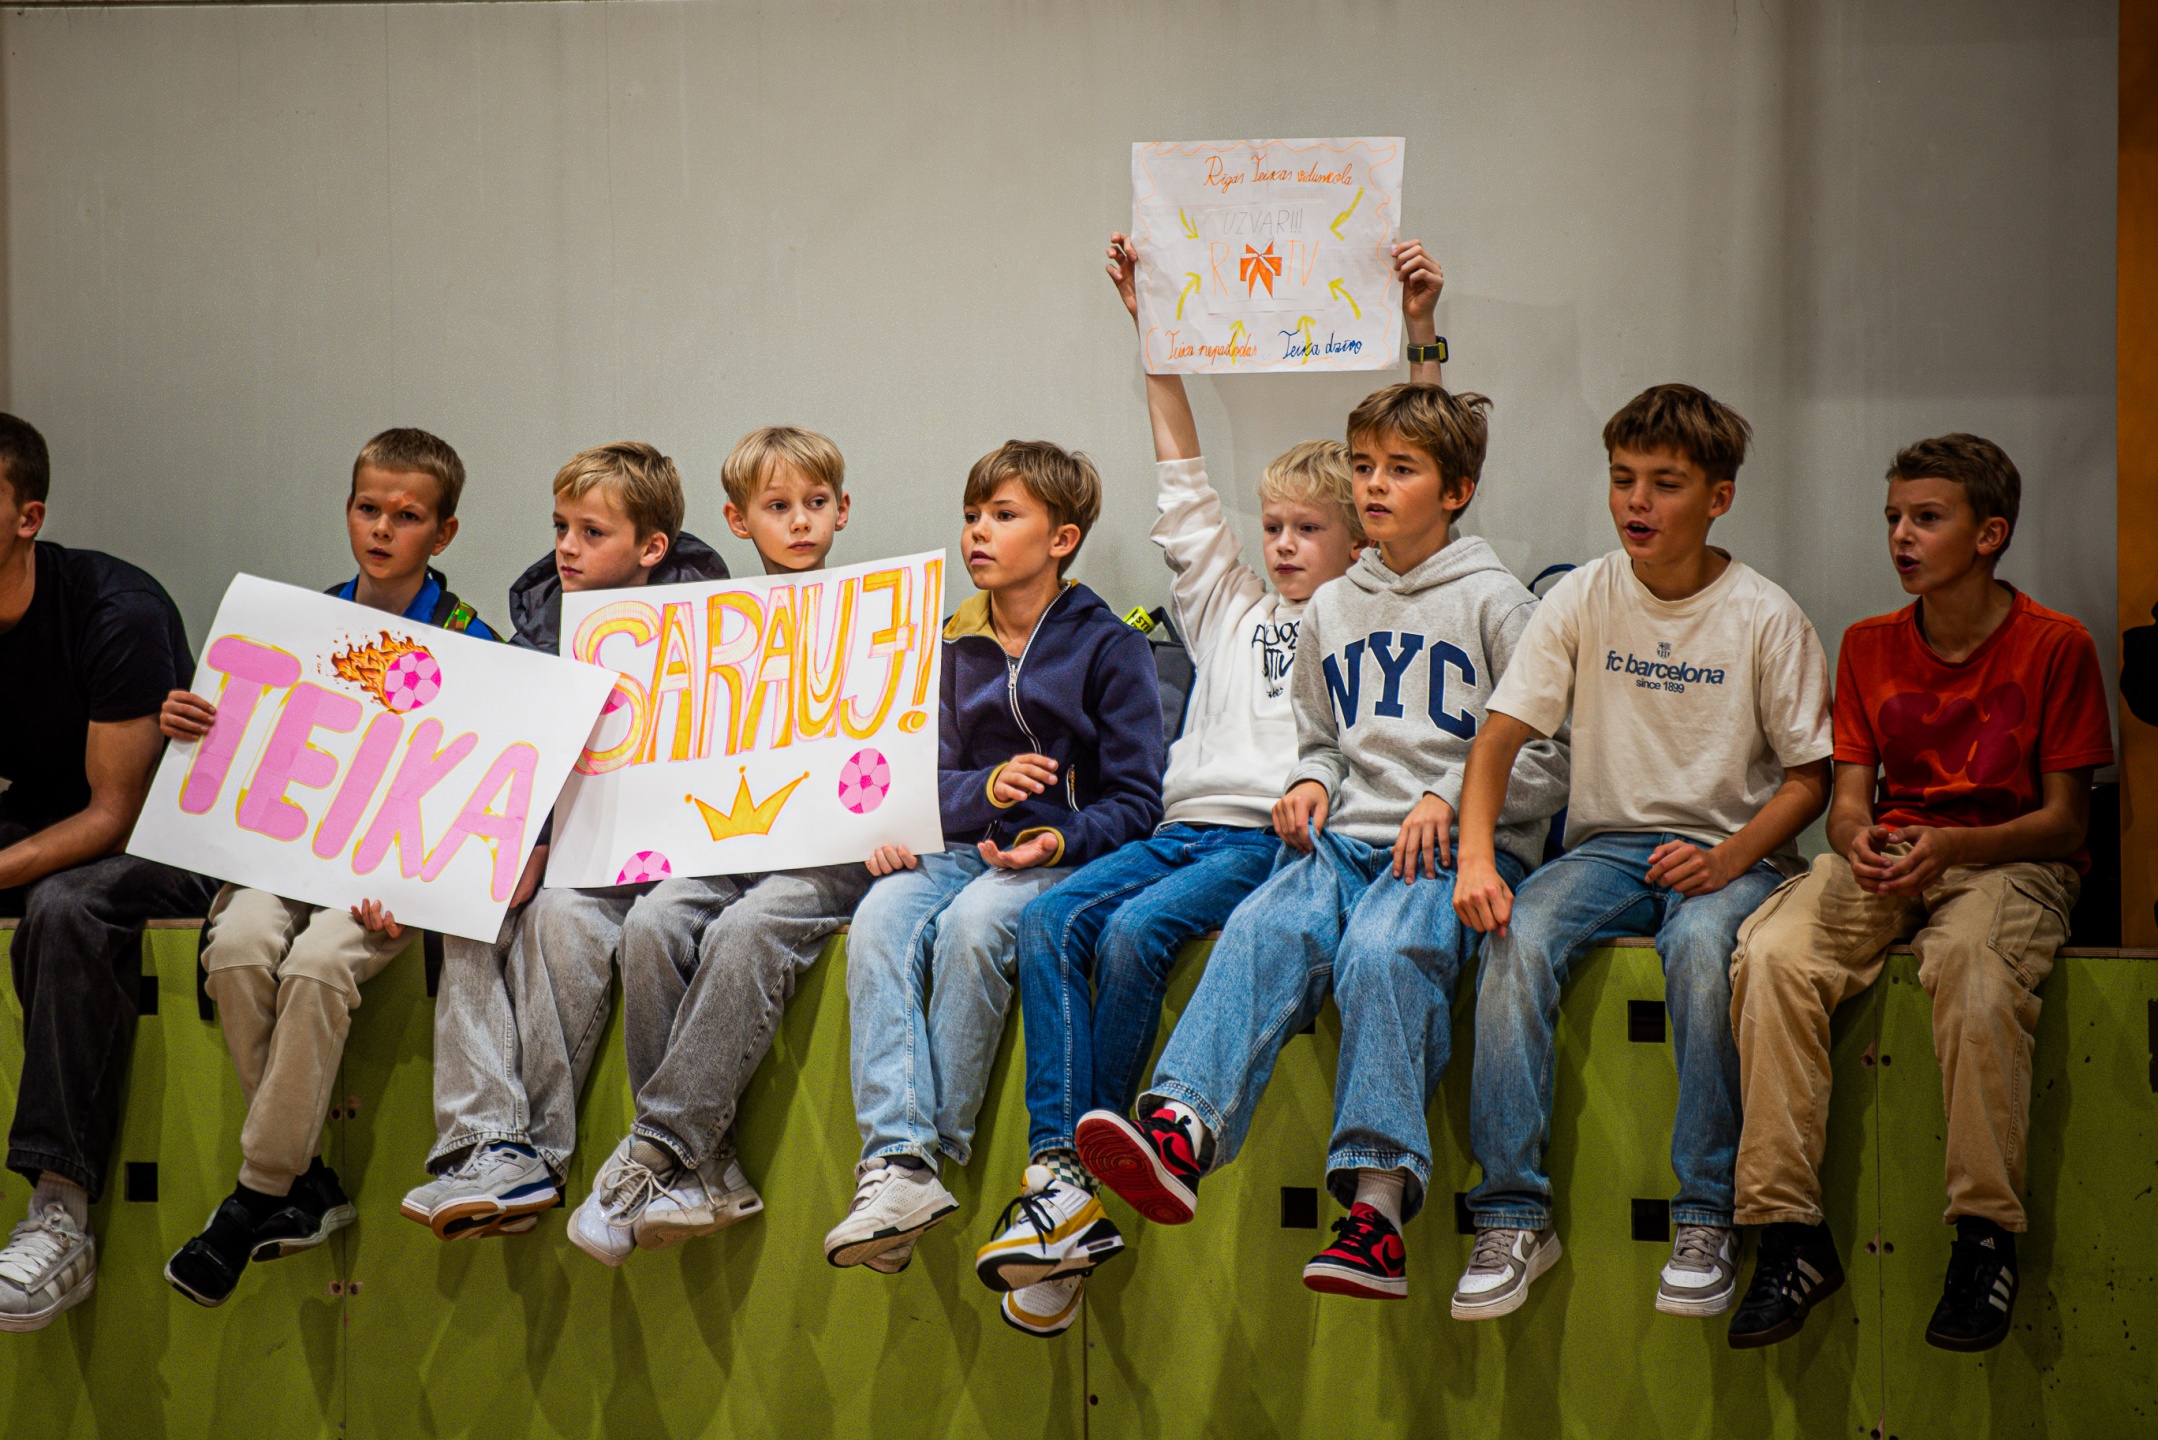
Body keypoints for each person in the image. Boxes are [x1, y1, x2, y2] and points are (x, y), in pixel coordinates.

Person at [972, 236, 1412, 1334]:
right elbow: (1182, 479)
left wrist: (1420, 335)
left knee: (1132, 937)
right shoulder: (1231, 606)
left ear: (1359, 538)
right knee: (1050, 920)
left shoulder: (1366, 614)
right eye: (1275, 528)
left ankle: (1081, 1186)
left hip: (1263, 844)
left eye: (1310, 529)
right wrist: (1154, 332)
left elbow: (1419, 474)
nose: (1285, 545)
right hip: (1175, 830)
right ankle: (1057, 1175)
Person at [1078, 377, 1567, 1306]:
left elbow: (1552, 754)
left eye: (1402, 470)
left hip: (1456, 848)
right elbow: (1323, 740)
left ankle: (1376, 1215)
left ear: (1457, 492)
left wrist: (1449, 797)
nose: (1376, 485)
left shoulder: (1499, 604)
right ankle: (1183, 1129)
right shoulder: (1336, 606)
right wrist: (1313, 781)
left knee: (1382, 953)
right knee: (1264, 924)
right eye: (1367, 467)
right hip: (1348, 841)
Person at [1450, 384, 1832, 1322]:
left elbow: (1809, 780)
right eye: (1623, 479)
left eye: (1665, 483)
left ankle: (1705, 1216)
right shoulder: (1583, 593)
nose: (1637, 502)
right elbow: (1498, 739)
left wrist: (1728, 859)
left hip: (1733, 853)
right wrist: (1475, 860)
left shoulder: (1766, 614)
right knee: (1515, 936)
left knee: (1702, 949)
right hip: (1612, 849)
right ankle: (1511, 1216)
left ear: (1719, 498)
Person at [1724, 435, 2111, 1353]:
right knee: (1771, 954)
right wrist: (1857, 840)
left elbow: (2065, 822)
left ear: (1989, 534)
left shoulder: (2056, 645)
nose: (1901, 535)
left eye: (1926, 518)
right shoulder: (1867, 644)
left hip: (2007, 859)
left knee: (1973, 969)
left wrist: (1955, 847)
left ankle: (1984, 1236)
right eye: (1894, 517)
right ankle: (1788, 1232)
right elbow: (1848, 804)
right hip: (1898, 854)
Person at [823, 437, 1165, 1338]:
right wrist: (982, 793)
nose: (978, 531)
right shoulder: (946, 643)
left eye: (1004, 515)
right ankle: (897, 1163)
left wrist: (1057, 835)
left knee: (975, 926)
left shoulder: (1111, 648)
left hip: (1058, 860)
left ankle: (931, 1155)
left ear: (1062, 538)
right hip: (955, 847)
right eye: (973, 514)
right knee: (878, 921)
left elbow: (1140, 802)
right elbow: (919, 780)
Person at [156, 429, 497, 1305]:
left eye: (407, 516)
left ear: (444, 533)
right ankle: (301, 1182)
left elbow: (481, 797)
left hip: (390, 884)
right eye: (367, 508)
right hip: (284, 861)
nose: (382, 528)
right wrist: (193, 724)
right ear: (347, 510)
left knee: (314, 963)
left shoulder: (473, 643)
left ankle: (258, 1194)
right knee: (237, 945)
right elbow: (250, 754)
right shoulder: (300, 627)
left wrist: (423, 888)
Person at [399, 442, 731, 1240]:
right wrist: (524, 844)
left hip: (671, 865)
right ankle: (489, 1140)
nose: (567, 548)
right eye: (560, 527)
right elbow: (509, 764)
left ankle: (536, 1158)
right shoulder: (537, 634)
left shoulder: (716, 630)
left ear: (651, 547)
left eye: (592, 532)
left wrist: (550, 851)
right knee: (468, 906)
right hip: (572, 858)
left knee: (560, 919)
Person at [565, 426, 876, 1266]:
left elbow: (904, 752)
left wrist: (897, 826)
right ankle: (705, 1171)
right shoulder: (711, 633)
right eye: (778, 506)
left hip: (830, 857)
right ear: (739, 521)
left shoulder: (876, 619)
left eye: (816, 503)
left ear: (842, 509)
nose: (800, 521)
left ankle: (654, 1152)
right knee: (651, 924)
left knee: (744, 931)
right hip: (731, 844)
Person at [0, 414, 217, 1331]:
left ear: (29, 517)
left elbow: (111, 815)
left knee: (65, 905)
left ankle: (61, 1212)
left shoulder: (114, 611)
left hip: (162, 840)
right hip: (43, 816)